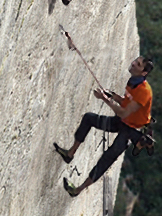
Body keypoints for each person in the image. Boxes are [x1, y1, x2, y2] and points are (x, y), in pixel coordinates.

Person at [55, 57, 154, 196]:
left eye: (138, 64)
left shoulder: (144, 92)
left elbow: (123, 112)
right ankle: (70, 154)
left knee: (107, 158)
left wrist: (104, 99)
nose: (133, 63)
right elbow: (126, 102)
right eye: (135, 61)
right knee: (89, 118)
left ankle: (77, 190)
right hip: (123, 121)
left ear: (143, 73)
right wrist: (113, 96)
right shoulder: (133, 82)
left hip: (131, 130)